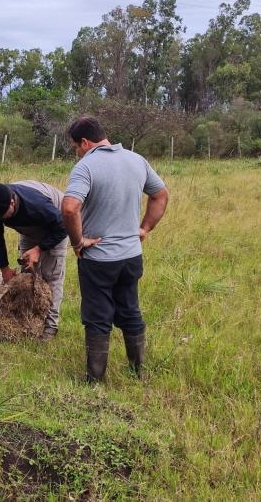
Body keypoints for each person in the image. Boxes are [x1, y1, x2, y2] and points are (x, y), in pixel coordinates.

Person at [61, 116, 169, 383]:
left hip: (98, 258)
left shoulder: (85, 167)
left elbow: (69, 207)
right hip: (131, 256)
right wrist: (144, 229)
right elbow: (160, 194)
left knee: (97, 317)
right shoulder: (136, 160)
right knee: (130, 309)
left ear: (85, 142)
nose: (77, 152)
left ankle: (95, 381)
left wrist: (78, 242)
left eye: (76, 146)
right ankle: (138, 372)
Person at [0, 181, 69, 340]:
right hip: (28, 227)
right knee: (27, 274)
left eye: (2, 216)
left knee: (51, 276)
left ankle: (50, 327)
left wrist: (39, 249)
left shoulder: (36, 205)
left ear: (12, 203)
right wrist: (5, 269)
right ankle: (28, 321)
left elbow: (63, 225)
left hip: (58, 223)